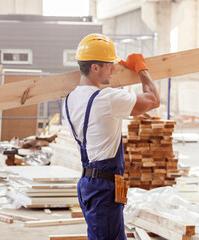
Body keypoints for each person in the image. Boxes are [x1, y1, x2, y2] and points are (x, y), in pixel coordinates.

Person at [64, 33, 161, 240]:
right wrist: (141, 68)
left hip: (88, 183)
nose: (114, 68)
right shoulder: (106, 99)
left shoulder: (70, 99)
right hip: (104, 188)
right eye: (109, 64)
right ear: (95, 67)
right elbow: (153, 100)